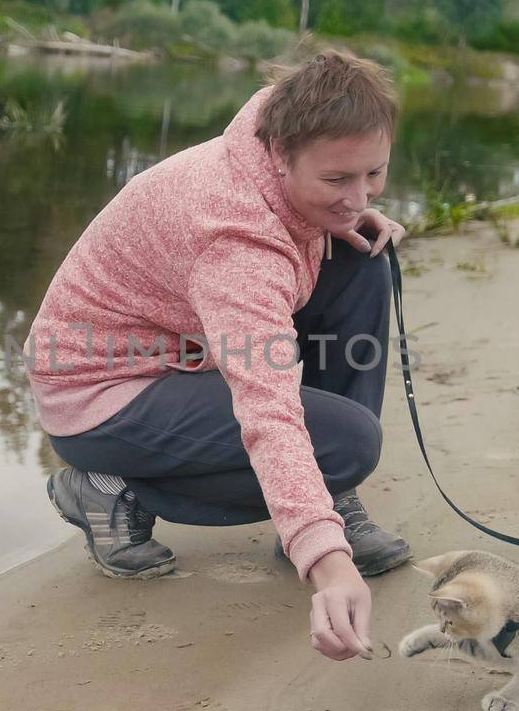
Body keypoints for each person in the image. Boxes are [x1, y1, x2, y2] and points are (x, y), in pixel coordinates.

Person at [23, 49, 410, 662]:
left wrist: (336, 209)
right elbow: (268, 410)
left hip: (183, 351)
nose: (358, 195)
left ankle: (326, 495)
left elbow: (327, 181)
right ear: (281, 155)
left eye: (373, 174)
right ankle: (107, 487)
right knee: (348, 444)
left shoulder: (276, 135)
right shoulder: (233, 240)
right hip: (103, 393)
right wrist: (328, 565)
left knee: (362, 255)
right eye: (336, 180)